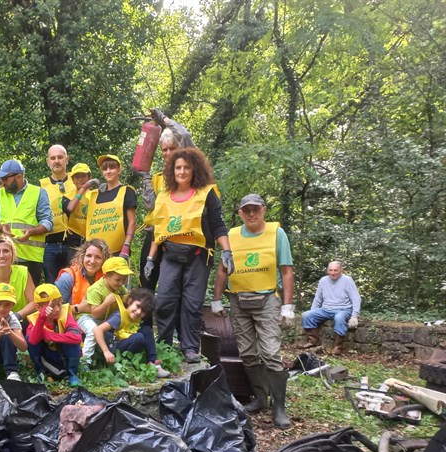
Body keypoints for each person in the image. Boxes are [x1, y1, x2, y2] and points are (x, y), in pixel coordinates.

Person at [211, 193, 295, 429]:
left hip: (267, 299)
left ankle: (279, 407)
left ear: (263, 210)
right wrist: (217, 299)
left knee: (269, 352)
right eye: (246, 210)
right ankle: (260, 398)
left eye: (255, 209)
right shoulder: (232, 236)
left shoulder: (276, 234)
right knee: (247, 352)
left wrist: (288, 306)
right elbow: (222, 270)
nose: (251, 214)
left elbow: (287, 271)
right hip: (239, 300)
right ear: (240, 213)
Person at [143, 147, 233, 363]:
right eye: (178, 168)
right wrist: (149, 259)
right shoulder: (164, 196)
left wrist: (227, 251)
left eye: (187, 168)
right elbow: (158, 230)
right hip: (170, 254)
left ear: (195, 170)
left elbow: (218, 225)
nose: (182, 172)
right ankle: (164, 345)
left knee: (192, 304)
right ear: (172, 171)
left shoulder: (206, 193)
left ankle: (190, 347)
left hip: (198, 256)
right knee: (164, 300)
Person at [138, 109, 196, 290]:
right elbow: (150, 205)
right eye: (165, 149)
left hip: (179, 234)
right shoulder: (157, 177)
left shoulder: (190, 173)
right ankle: (146, 319)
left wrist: (164, 119)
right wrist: (145, 176)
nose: (169, 152)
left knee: (173, 286)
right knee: (146, 281)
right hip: (155, 232)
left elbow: (184, 135)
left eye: (173, 148)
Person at [0, 159, 53, 284]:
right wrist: (1, 228)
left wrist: (31, 232)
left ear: (19, 176)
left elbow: (48, 222)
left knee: (29, 299)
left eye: (6, 178)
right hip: (4, 256)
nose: (2, 182)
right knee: (3, 296)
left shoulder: (38, 192)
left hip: (31, 258)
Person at [93, 287, 171, 378]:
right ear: (130, 301)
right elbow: (97, 330)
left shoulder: (135, 319)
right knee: (139, 337)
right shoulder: (119, 316)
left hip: (124, 341)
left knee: (147, 330)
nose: (138, 312)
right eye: (138, 306)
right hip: (113, 348)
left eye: (143, 311)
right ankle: (125, 365)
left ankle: (152, 362)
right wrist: (106, 351)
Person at [76, 256, 133, 364]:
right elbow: (95, 314)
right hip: (86, 317)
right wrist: (106, 302)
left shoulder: (118, 287)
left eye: (123, 280)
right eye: (118, 280)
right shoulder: (95, 289)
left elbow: (127, 298)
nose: (121, 283)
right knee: (93, 331)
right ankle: (84, 363)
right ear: (106, 276)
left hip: (104, 319)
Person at [39, 145, 81, 284]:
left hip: (74, 243)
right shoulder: (41, 186)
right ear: (47, 162)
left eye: (60, 157)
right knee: (52, 286)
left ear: (67, 159)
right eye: (53, 158)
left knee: (73, 282)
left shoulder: (77, 181)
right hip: (50, 243)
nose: (57, 161)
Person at [26, 283, 82, 386]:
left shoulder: (65, 314)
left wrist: (48, 335)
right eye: (51, 306)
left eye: (59, 304)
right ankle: (41, 372)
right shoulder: (35, 319)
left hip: (63, 354)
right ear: (38, 307)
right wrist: (42, 318)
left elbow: (77, 338)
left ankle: (72, 374)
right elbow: (33, 341)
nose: (57, 309)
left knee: (73, 343)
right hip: (47, 355)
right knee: (29, 337)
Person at [301, 261, 361, 355]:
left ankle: (337, 347)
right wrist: (313, 312)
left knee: (339, 318)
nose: (333, 273)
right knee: (306, 315)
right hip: (326, 309)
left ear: (341, 270)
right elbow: (318, 299)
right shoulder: (323, 280)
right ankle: (313, 341)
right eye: (330, 270)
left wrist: (354, 316)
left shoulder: (347, 280)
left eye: (335, 270)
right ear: (327, 271)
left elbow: (356, 298)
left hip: (343, 309)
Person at [84, 155, 137, 259]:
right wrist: (85, 186)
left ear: (119, 170)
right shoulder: (94, 194)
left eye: (112, 168)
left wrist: (126, 246)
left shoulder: (127, 191)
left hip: (118, 252)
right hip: (95, 254)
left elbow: (132, 222)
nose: (108, 171)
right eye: (105, 169)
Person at [0, 236, 36, 320]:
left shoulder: (23, 272)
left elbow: (34, 302)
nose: (2, 255)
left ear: (13, 254)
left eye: (6, 251)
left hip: (20, 321)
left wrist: (16, 317)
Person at [55, 238, 110, 307]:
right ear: (82, 256)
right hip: (73, 317)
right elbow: (56, 309)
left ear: (104, 260)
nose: (92, 261)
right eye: (89, 255)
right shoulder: (67, 277)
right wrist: (79, 308)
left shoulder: (108, 276)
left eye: (98, 257)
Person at [62, 163, 99, 242]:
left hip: (91, 239)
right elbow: (70, 208)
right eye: (77, 177)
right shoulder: (67, 195)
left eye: (83, 176)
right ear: (72, 180)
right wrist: (84, 188)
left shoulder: (95, 194)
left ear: (89, 177)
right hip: (73, 240)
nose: (80, 179)